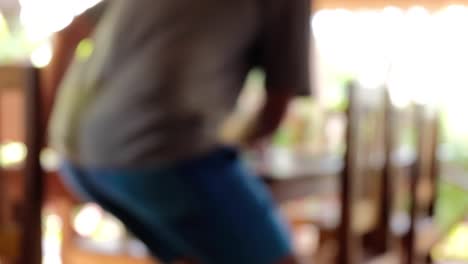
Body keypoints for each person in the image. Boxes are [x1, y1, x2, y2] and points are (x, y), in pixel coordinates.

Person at [45, 0, 310, 263]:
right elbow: (276, 104)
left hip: (73, 152)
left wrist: (46, 128)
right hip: (160, 150)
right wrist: (240, 142)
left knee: (191, 255)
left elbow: (70, 33)